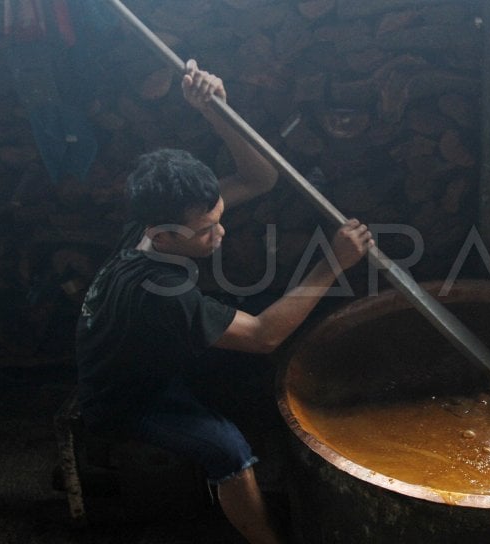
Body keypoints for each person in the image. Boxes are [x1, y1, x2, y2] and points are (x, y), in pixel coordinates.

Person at [75, 60, 373, 544]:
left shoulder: (150, 224)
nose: (222, 231)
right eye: (208, 229)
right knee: (230, 452)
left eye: (218, 215)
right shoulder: (158, 292)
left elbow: (260, 179)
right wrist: (332, 264)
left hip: (153, 355)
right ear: (165, 236)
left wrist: (217, 111)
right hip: (129, 397)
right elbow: (263, 336)